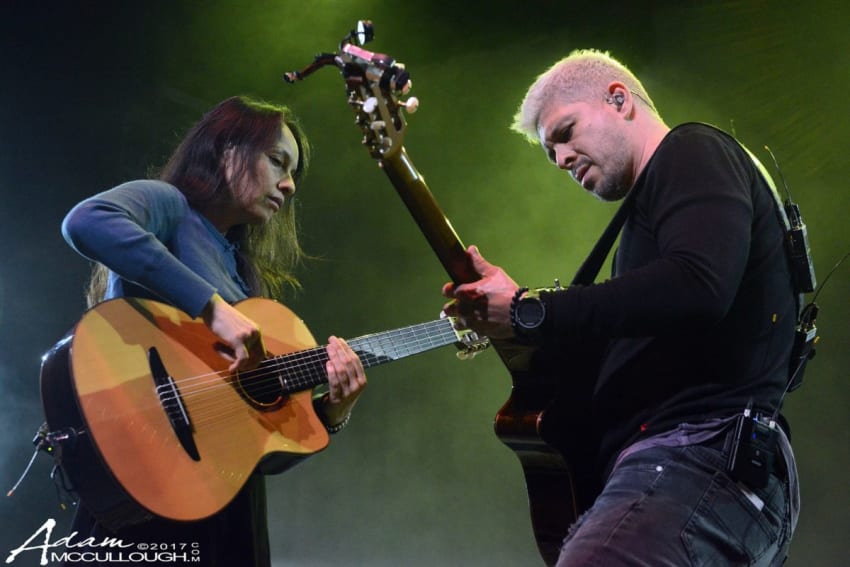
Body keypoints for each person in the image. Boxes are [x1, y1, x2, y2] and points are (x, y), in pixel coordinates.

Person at [442, 49, 801, 565]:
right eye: (550, 154)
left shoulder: (692, 150)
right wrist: (518, 314)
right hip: (705, 473)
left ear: (618, 99)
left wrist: (530, 309)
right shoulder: (648, 216)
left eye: (565, 133)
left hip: (697, 460)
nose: (562, 159)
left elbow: (697, 286)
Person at [60, 95, 367, 566]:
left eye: (292, 175)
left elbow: (262, 451)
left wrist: (332, 413)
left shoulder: (244, 275)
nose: (287, 185)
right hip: (148, 476)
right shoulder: (170, 206)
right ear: (227, 149)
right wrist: (213, 308)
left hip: (225, 508)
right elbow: (86, 221)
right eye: (277, 161)